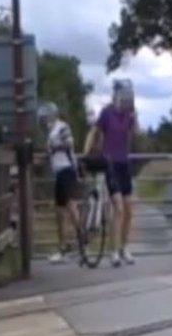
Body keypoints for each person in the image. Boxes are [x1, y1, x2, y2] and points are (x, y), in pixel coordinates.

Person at [85, 80, 137, 267]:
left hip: (124, 163)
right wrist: (87, 152)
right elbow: (94, 132)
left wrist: (133, 117)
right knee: (118, 208)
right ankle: (113, 251)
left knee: (129, 209)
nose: (127, 104)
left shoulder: (129, 116)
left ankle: (124, 247)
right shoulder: (107, 113)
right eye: (125, 101)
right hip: (110, 164)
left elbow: (130, 137)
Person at [38, 102, 82, 264]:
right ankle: (63, 246)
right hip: (59, 173)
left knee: (71, 206)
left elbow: (69, 143)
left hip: (68, 170)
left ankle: (80, 238)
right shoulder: (50, 133)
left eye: (44, 118)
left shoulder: (61, 127)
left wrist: (54, 147)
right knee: (59, 211)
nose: (43, 122)